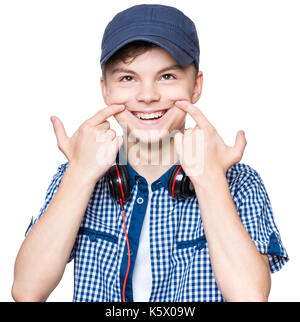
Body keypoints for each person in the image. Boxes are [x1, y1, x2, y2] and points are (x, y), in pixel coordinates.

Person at [12, 4, 288, 302]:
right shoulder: (76, 173)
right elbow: (27, 291)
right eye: (128, 78)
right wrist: (79, 175)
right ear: (105, 90)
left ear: (196, 86)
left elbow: (250, 297)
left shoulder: (239, 182)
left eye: (167, 76)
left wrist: (209, 180)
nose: (147, 96)